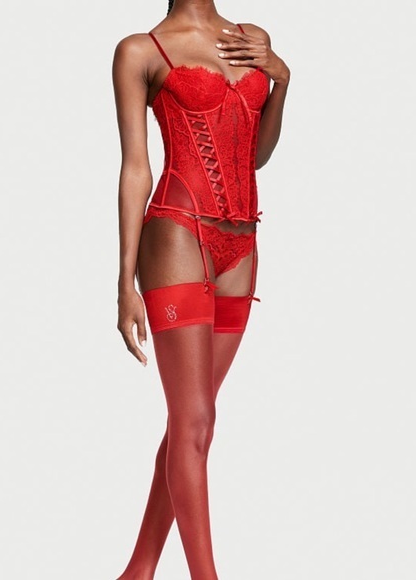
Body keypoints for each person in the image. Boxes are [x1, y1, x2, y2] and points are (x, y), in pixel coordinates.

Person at [112, 0, 290, 577]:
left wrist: (282, 81)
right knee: (195, 423)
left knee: (194, 422)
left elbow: (255, 155)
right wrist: (124, 281)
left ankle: (139, 570)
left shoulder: (251, 38)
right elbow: (135, 168)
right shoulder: (140, 50)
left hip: (242, 245)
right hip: (176, 234)